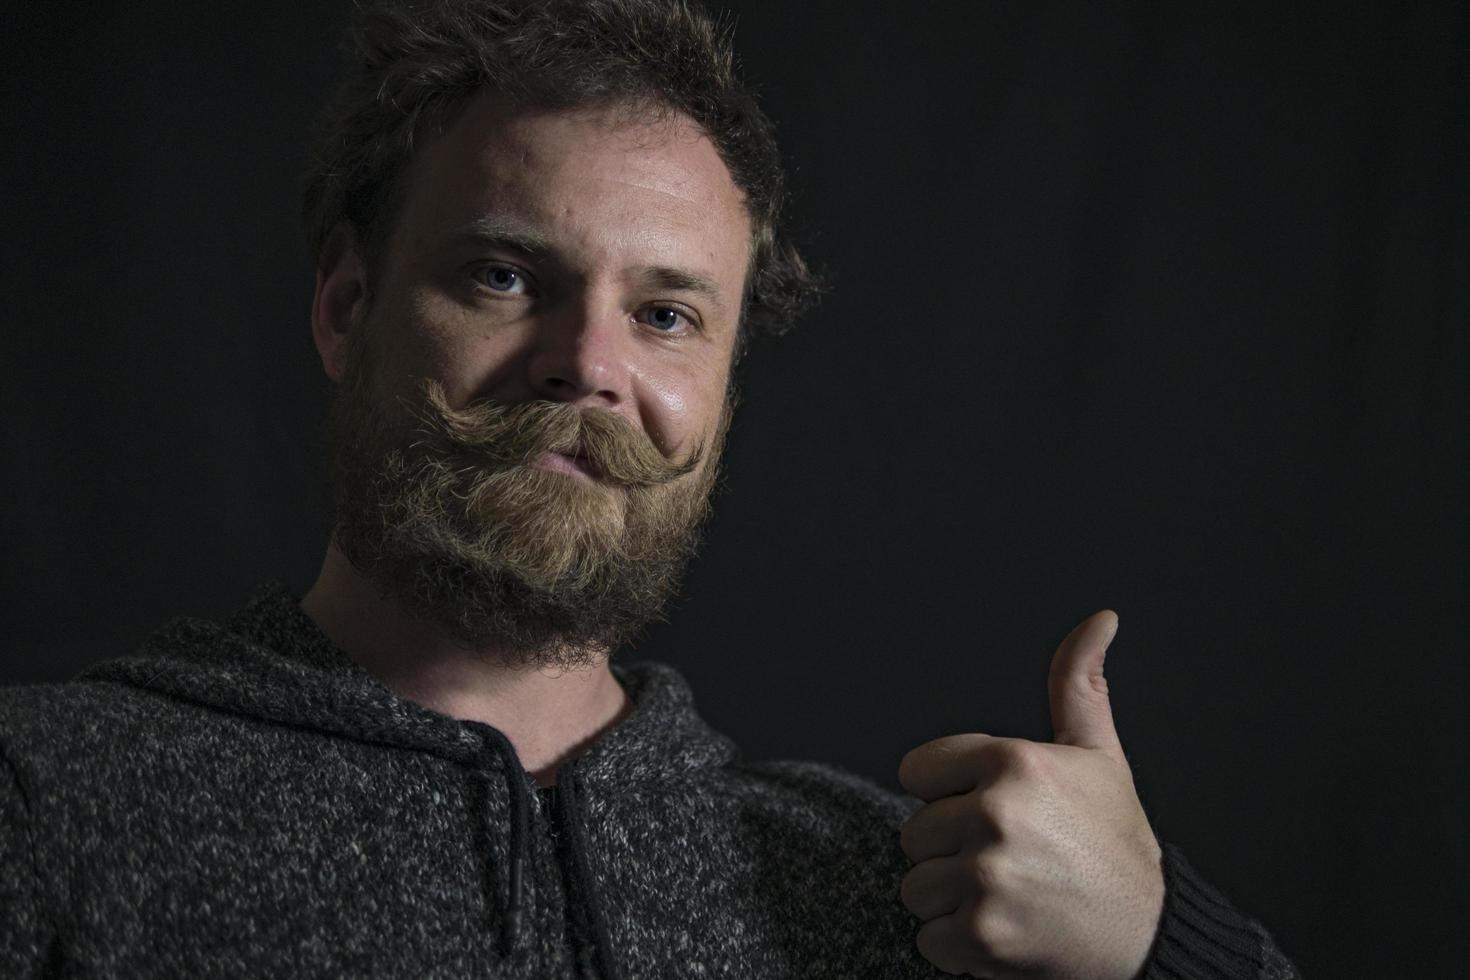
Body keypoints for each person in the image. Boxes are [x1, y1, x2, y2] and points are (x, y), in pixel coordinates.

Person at [0, 1, 1300, 977]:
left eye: (667, 313)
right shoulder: (49, 802)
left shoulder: (906, 889)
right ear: (347, 309)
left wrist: (1156, 943)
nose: (589, 367)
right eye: (504, 278)